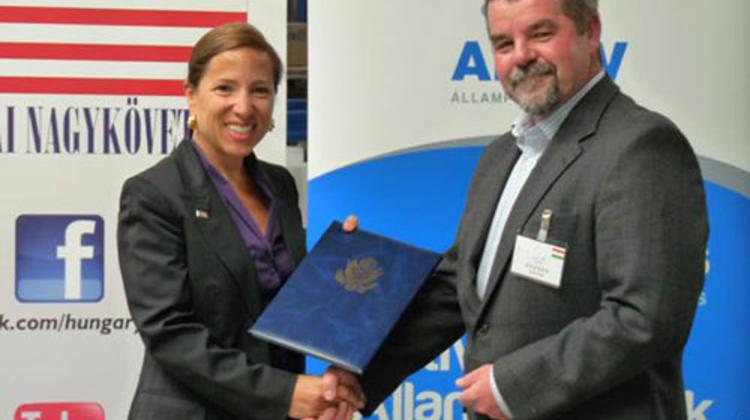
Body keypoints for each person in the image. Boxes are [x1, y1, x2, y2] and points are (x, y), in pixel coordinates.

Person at [323, 0, 708, 418]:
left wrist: (511, 387)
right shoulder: (502, 155)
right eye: (504, 43)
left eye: (541, 34)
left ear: (591, 31)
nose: (521, 55)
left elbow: (645, 318)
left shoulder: (641, 145)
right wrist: (361, 375)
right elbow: (458, 288)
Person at [117, 23, 362, 420]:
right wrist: (284, 394)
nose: (244, 107)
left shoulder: (279, 185)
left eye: (260, 90)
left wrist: (338, 266)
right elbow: (170, 333)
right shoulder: (153, 193)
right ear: (191, 95)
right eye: (225, 88)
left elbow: (280, 304)